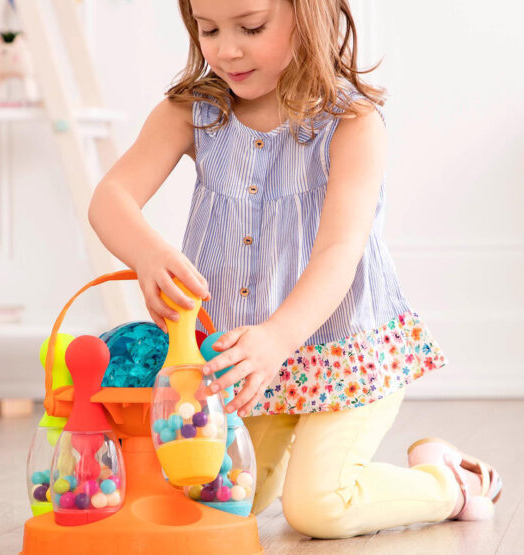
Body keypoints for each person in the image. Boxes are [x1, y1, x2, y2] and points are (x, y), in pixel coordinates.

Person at [88, 0, 502, 539]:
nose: (226, 50)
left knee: (318, 509)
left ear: (309, 14)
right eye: (208, 29)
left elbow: (339, 251)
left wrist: (279, 338)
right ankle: (294, 456)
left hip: (343, 350)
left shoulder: (352, 122)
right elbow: (111, 197)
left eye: (251, 27)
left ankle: (450, 483)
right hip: (246, 363)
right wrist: (147, 254)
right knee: (223, 502)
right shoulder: (192, 112)